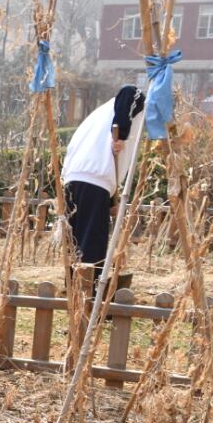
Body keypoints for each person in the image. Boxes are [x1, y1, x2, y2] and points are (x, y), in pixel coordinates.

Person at [60, 85, 145, 278]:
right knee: (92, 242)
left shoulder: (100, 117)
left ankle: (75, 290)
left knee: (76, 241)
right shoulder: (136, 101)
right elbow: (131, 92)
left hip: (75, 179)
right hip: (95, 179)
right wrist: (121, 135)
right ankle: (88, 293)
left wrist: (108, 203)